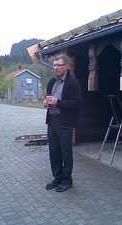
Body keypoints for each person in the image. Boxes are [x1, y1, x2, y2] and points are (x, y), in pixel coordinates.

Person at [43, 54, 82, 192]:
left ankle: (67, 180)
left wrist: (57, 102)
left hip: (65, 122)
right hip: (52, 121)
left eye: (59, 65)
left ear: (66, 66)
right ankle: (57, 178)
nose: (56, 68)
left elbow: (76, 103)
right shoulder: (51, 82)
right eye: (54, 65)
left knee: (66, 152)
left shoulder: (73, 83)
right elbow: (48, 98)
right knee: (54, 151)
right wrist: (45, 102)